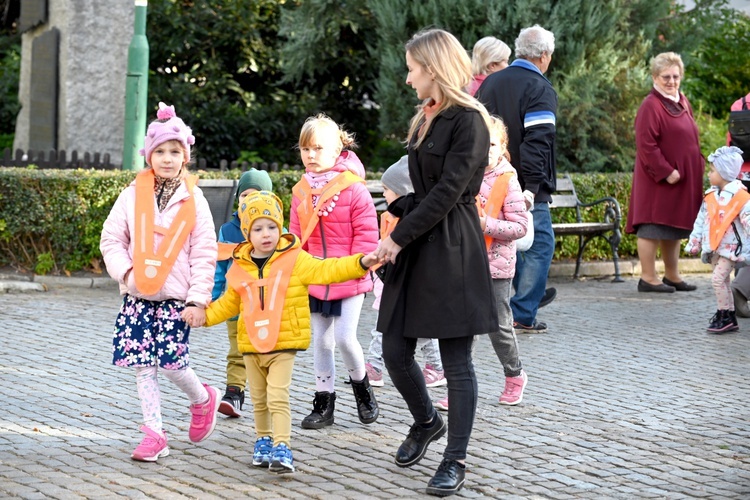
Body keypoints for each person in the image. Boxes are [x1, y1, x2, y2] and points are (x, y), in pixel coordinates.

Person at [375, 28, 499, 497]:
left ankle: (455, 459)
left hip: (452, 248)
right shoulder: (426, 117)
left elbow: (450, 192)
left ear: (433, 67)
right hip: (419, 241)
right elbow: (424, 188)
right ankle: (427, 421)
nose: (407, 78)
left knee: (456, 361)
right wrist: (398, 215)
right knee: (393, 350)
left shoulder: (470, 120)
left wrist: (396, 239)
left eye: (412, 68)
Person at [191, 191, 379, 473]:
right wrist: (201, 317)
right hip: (251, 344)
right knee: (259, 398)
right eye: (258, 228)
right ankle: (262, 440)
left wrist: (360, 263)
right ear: (246, 233)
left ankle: (282, 445)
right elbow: (227, 305)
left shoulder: (295, 259)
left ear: (280, 227)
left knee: (277, 395)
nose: (266, 234)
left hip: (283, 342)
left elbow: (327, 270)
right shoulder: (239, 267)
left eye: (271, 227)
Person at [99, 102, 220, 462]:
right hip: (138, 295)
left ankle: (203, 399)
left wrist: (198, 300)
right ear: (149, 155)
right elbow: (111, 239)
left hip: (175, 299)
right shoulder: (132, 194)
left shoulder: (193, 199)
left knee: (172, 364)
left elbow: (204, 252)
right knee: (142, 365)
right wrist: (127, 273)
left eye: (175, 151)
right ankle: (155, 433)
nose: (167, 158)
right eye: (160, 151)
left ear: (186, 155)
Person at [289, 114, 380, 430]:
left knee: (344, 338)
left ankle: (363, 389)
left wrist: (358, 268)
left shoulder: (354, 190)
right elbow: (295, 238)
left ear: (337, 150)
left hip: (349, 277)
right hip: (316, 278)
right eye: (305, 149)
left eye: (317, 148)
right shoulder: (300, 191)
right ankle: (323, 403)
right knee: (321, 342)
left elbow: (367, 237)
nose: (310, 156)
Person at [434, 116, 530, 413]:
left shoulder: (507, 179)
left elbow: (520, 227)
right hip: (462, 265)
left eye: (492, 144)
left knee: (499, 328)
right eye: (480, 143)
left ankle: (514, 374)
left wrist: (487, 224)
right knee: (461, 329)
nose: (485, 149)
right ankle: (458, 386)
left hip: (496, 268)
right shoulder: (463, 174)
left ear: (502, 147)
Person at [475, 25, 558, 334]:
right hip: (522, 184)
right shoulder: (539, 88)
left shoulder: (491, 83)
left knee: (501, 244)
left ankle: (496, 310)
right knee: (539, 245)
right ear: (545, 56)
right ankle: (522, 312)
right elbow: (538, 141)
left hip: (489, 179)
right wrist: (533, 188)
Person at [625, 52, 704, 293]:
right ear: (655, 77)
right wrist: (666, 171)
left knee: (673, 227)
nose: (671, 81)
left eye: (675, 76)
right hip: (658, 181)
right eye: (666, 76)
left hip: (680, 180)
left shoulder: (681, 100)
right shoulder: (651, 105)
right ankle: (648, 278)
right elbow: (646, 144)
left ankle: (672, 275)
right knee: (652, 227)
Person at [366, 156, 445, 389]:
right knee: (387, 324)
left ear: (403, 192)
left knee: (413, 328)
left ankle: (435, 366)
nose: (384, 196)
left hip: (410, 286)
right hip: (389, 280)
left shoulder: (413, 221)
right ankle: (375, 365)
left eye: (386, 190)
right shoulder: (391, 216)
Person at [211, 168, 273, 417]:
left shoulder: (275, 229)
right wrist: (214, 296)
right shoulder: (228, 230)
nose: (248, 200)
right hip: (236, 303)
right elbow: (219, 267)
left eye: (255, 194)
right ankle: (234, 393)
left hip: (266, 304)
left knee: (265, 352)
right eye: (244, 195)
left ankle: (267, 394)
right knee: (237, 351)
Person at [684, 146, 748, 333]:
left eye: (712, 170)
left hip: (731, 249)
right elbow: (701, 220)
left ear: (724, 172)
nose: (709, 174)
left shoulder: (741, 197)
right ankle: (728, 316)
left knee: (717, 280)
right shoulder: (711, 196)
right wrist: (695, 241)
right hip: (714, 246)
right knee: (724, 282)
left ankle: (723, 313)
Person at [729, 91, 750, 316]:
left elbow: (731, 144)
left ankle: (740, 290)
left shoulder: (740, 104)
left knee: (743, 237)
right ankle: (740, 289)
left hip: (742, 178)